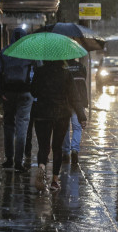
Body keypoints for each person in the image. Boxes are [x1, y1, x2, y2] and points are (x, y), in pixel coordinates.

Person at [30, 60, 87, 192]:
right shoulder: (66, 74)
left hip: (42, 114)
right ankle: (54, 181)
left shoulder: (39, 72)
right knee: (57, 147)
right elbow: (74, 97)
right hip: (61, 114)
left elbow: (33, 92)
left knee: (43, 146)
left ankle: (42, 167)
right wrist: (81, 116)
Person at [0, 28, 35, 172]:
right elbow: (39, 71)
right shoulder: (30, 52)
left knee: (9, 125)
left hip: (8, 93)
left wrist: (0, 93)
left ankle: (9, 158)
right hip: (25, 93)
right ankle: (19, 161)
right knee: (22, 125)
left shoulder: (5, 52)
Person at [62, 58, 88, 165]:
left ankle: (65, 151)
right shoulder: (81, 67)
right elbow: (83, 81)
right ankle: (74, 149)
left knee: (65, 127)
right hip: (79, 101)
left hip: (66, 101)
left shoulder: (63, 68)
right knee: (77, 127)